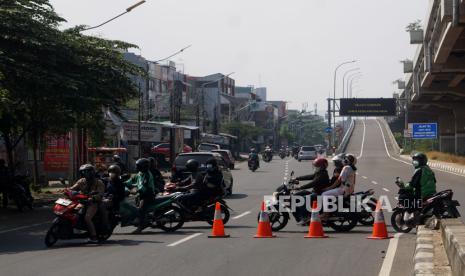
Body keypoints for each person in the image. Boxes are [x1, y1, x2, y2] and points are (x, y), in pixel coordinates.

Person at [70, 164, 107, 243]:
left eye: (86, 172)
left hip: (93, 203)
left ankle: (94, 237)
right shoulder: (82, 181)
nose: (85, 174)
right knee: (71, 212)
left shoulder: (98, 182)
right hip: (81, 202)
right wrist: (67, 190)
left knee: (87, 218)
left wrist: (92, 198)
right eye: (83, 172)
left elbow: (100, 194)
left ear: (91, 173)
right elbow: (73, 188)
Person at [397, 152, 437, 221]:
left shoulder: (419, 170)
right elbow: (434, 181)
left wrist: (404, 187)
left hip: (422, 193)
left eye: (416, 160)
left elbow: (413, 184)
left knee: (403, 197)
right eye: (414, 160)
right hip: (431, 192)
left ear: (421, 161)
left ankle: (410, 213)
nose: (414, 162)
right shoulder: (429, 169)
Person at [292, 158, 330, 224]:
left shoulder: (323, 174)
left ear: (322, 167)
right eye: (315, 166)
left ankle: (305, 217)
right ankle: (299, 215)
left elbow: (313, 183)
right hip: (314, 192)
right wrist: (297, 178)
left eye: (317, 166)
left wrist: (300, 187)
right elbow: (309, 176)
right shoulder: (319, 173)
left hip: (318, 193)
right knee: (296, 195)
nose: (316, 167)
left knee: (303, 199)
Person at [321, 154, 357, 218]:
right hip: (349, 189)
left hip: (343, 190)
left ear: (347, 161)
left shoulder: (346, 168)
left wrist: (329, 188)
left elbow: (338, 181)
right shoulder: (352, 169)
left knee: (324, 194)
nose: (343, 160)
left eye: (345, 159)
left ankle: (325, 213)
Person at [124, 158, 156, 234]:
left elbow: (143, 188)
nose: (137, 167)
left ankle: (140, 227)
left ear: (144, 167)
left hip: (147, 195)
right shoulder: (139, 173)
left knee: (141, 210)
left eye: (138, 166)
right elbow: (131, 181)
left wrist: (134, 191)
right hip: (141, 195)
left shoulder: (147, 175)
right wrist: (123, 183)